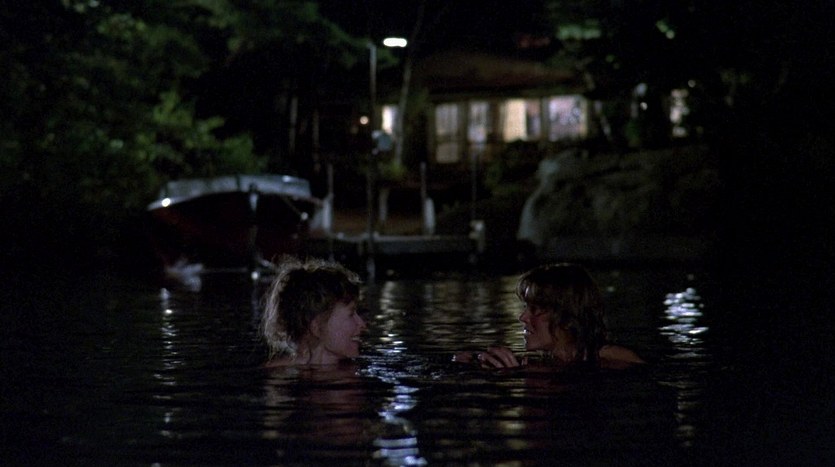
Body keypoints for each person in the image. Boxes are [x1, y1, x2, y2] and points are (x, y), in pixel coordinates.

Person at [454, 262, 644, 370]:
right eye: (526, 307)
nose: (523, 317)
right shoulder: (544, 361)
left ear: (567, 317)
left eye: (535, 309)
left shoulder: (613, 358)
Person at [261, 257, 366, 366]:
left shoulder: (352, 368)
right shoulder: (280, 372)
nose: (362, 324)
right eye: (351, 314)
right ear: (316, 327)